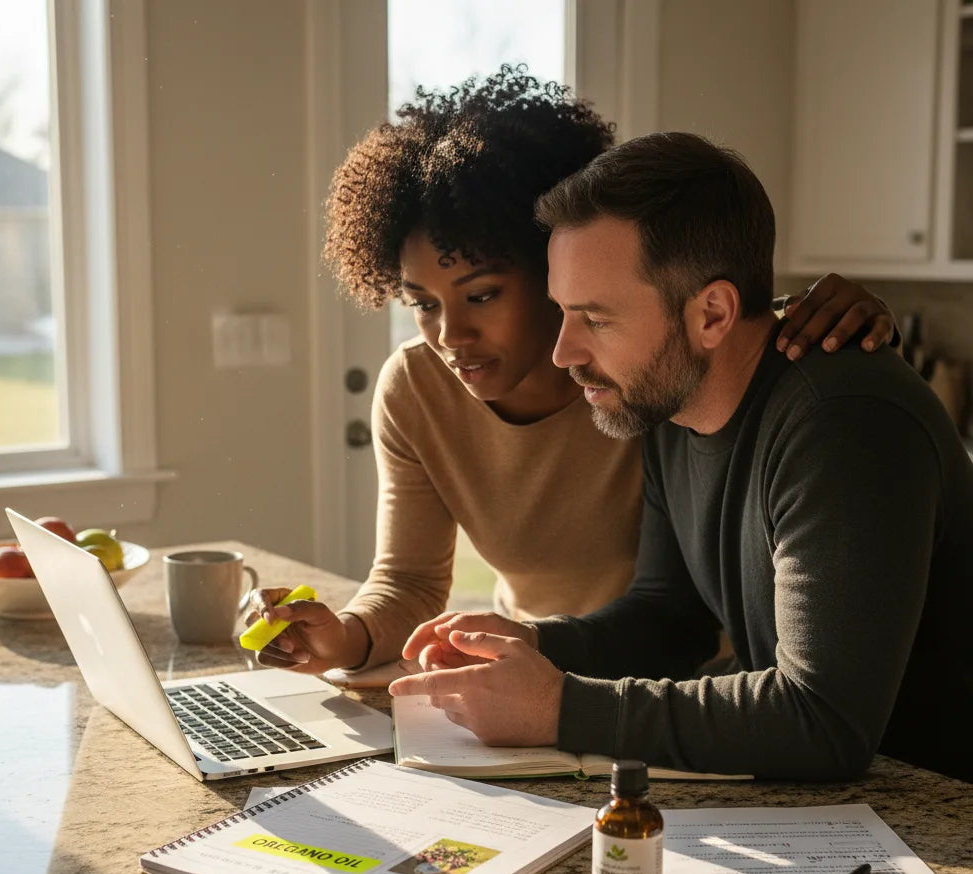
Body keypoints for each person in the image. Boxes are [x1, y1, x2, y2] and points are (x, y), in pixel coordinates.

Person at [251, 66, 897, 678]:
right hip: (534, 665)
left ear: (555, 272)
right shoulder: (417, 391)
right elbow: (411, 580)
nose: (451, 335)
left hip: (699, 689)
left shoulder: (650, 371)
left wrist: (834, 317)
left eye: (481, 295)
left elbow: (721, 333)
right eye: (421, 304)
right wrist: (344, 638)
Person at [391, 131, 973, 784]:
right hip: (850, 808)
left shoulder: (842, 423)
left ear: (713, 314)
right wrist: (533, 646)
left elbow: (824, 720)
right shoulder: (669, 402)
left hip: (942, 821)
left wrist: (559, 708)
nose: (564, 352)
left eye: (596, 319)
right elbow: (670, 617)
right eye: (562, 312)